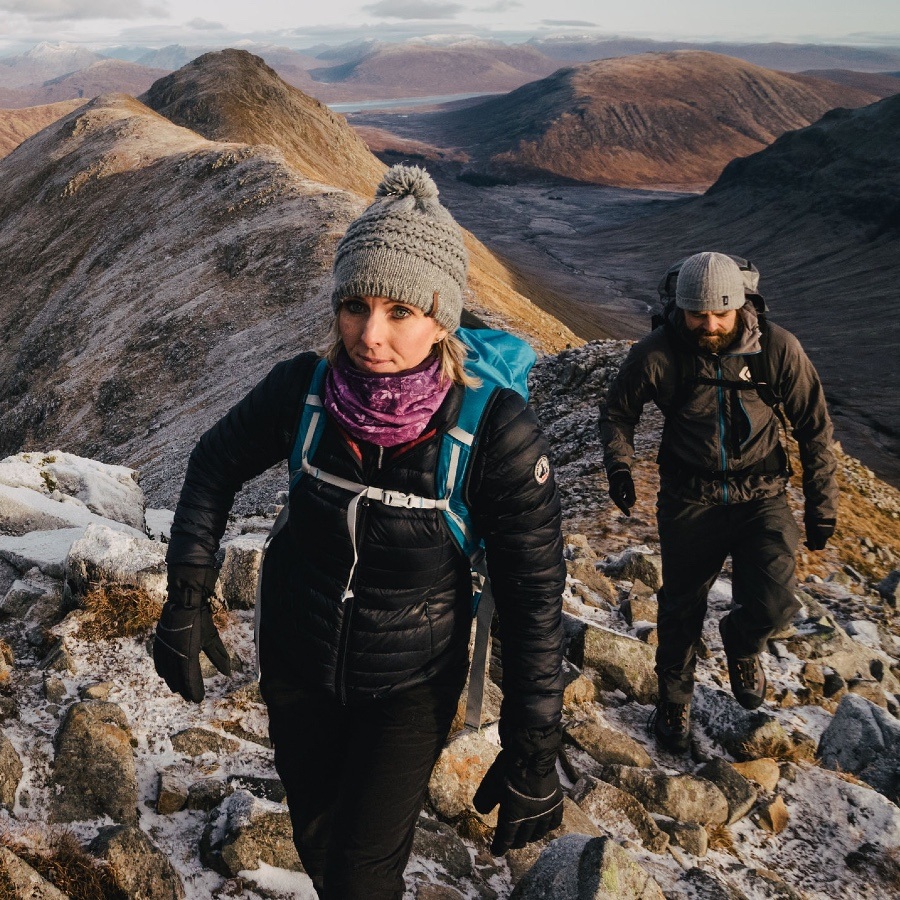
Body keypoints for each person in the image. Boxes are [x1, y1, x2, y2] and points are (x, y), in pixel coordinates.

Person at [152, 165, 567, 898]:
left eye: (400, 311)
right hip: (296, 660)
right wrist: (186, 593)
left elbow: (532, 591)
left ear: (443, 316)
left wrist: (534, 740)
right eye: (354, 305)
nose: (370, 335)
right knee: (317, 840)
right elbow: (213, 463)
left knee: (358, 877)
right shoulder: (302, 390)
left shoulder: (495, 431)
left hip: (410, 680)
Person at [600, 251, 838, 753]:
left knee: (776, 599)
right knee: (680, 605)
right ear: (679, 309)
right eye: (696, 314)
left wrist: (823, 505)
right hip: (690, 499)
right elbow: (617, 412)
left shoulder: (777, 350)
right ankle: (673, 699)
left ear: (741, 305)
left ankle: (743, 642)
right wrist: (619, 466)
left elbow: (814, 427)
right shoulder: (657, 353)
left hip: (762, 497)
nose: (708, 325)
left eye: (720, 314)